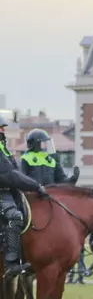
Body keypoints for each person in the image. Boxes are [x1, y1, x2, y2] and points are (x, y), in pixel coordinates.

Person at [0, 114, 48, 277]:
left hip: (8, 192)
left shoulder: (3, 149)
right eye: (0, 128)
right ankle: (11, 262)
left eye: (3, 128)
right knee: (15, 216)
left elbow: (16, 173)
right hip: (2, 192)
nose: (3, 131)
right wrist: (35, 186)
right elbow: (9, 175)